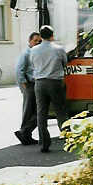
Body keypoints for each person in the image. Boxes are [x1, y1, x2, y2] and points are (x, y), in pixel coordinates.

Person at [29, 24, 69, 152]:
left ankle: (44, 144)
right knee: (60, 111)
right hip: (55, 83)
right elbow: (64, 63)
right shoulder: (59, 49)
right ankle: (68, 140)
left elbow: (33, 64)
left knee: (41, 113)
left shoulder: (33, 50)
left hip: (39, 84)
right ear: (52, 35)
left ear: (41, 36)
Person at [13, 31, 42, 145]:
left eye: (39, 41)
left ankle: (25, 134)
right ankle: (24, 133)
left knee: (33, 111)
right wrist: (24, 85)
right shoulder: (26, 53)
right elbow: (19, 70)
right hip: (29, 85)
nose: (37, 43)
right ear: (29, 41)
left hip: (34, 84)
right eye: (35, 41)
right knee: (30, 111)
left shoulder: (36, 52)